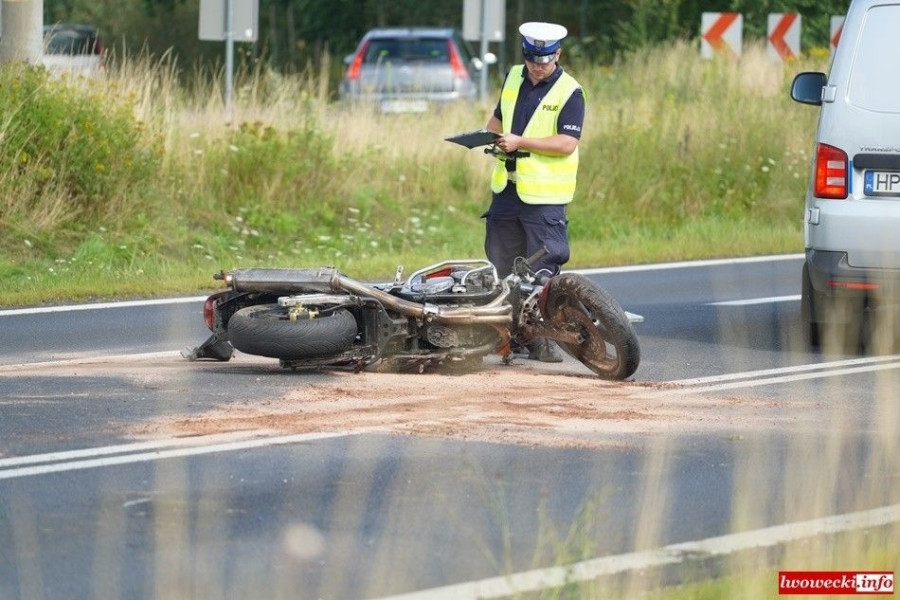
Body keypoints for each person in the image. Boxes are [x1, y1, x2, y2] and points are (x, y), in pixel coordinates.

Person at [483, 22, 585, 363]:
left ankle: (544, 339)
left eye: (543, 59)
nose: (537, 66)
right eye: (531, 59)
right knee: (503, 267)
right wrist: (491, 138)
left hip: (544, 197)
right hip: (507, 188)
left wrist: (520, 142)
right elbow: (497, 119)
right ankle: (511, 337)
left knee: (541, 272)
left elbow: (567, 143)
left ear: (558, 54)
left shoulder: (570, 91)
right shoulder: (514, 76)